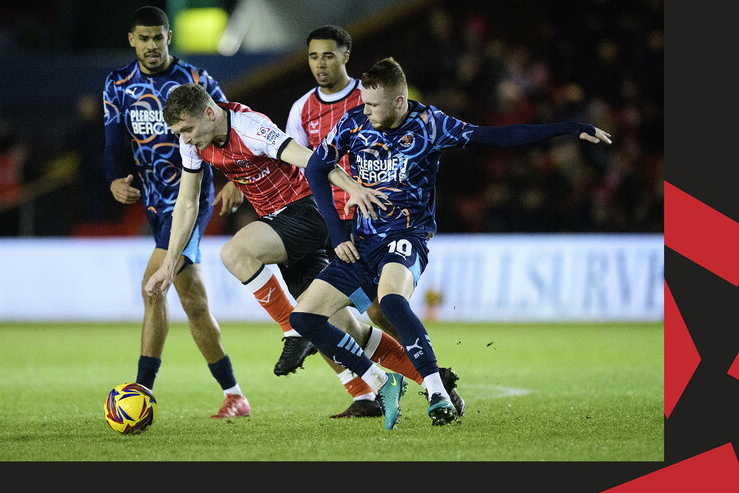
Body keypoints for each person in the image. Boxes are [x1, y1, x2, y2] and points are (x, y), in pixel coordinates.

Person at [292, 56, 613, 428]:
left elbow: (496, 136)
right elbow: (317, 166)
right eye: (363, 102)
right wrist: (337, 233)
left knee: (392, 303)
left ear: (399, 101)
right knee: (304, 317)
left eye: (372, 104)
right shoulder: (355, 123)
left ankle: (438, 394)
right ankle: (381, 380)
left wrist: (568, 128)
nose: (364, 110)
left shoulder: (430, 124)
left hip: (405, 236)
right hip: (361, 242)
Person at [145, 82, 458, 425]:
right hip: (285, 229)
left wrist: (354, 188)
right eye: (179, 132)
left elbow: (315, 162)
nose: (186, 138)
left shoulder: (251, 128)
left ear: (209, 113)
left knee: (235, 253)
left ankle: (293, 332)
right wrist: (170, 264)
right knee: (346, 328)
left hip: (308, 213)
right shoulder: (192, 143)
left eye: (188, 129)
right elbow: (187, 203)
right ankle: (435, 383)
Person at [103, 6, 249, 418]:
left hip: (191, 197)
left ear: (169, 37)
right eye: (143, 38)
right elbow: (113, 138)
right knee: (195, 304)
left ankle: (140, 393)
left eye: (158, 37)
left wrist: (237, 177)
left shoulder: (197, 80)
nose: (152, 45)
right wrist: (115, 177)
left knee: (153, 286)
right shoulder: (117, 83)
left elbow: (230, 125)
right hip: (152, 198)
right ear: (132, 39)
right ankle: (235, 395)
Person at [285, 25, 432, 419]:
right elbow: (300, 163)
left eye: (328, 55)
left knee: (379, 311)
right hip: (329, 225)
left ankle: (430, 374)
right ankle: (373, 390)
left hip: (373, 226)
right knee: (338, 314)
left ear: (346, 56)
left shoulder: (369, 96)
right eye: (313, 56)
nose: (320, 64)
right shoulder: (301, 108)